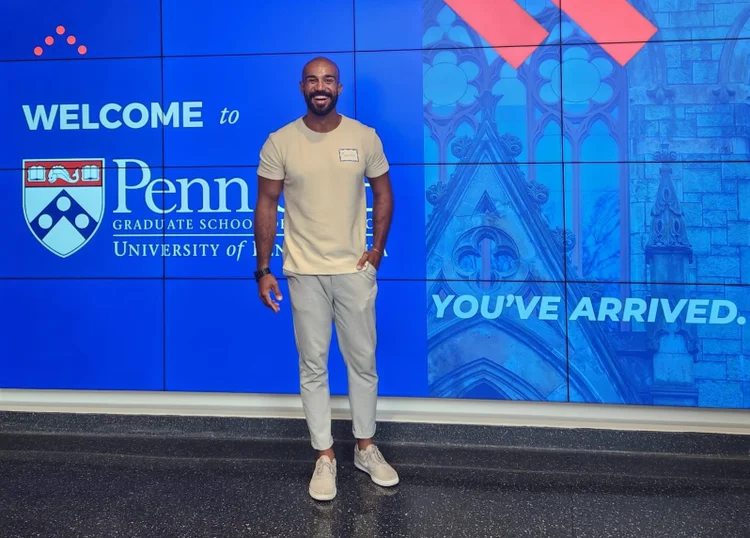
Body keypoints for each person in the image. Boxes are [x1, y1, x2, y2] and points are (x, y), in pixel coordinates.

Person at [252, 56, 398, 501]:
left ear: (339, 87)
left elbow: (384, 193)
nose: (321, 87)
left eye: (328, 80)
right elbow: (265, 205)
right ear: (302, 88)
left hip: (354, 272)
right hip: (303, 272)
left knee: (363, 364)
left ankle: (366, 448)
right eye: (313, 80)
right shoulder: (280, 142)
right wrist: (263, 269)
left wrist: (374, 253)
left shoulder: (364, 136)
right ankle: (324, 456)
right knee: (313, 367)